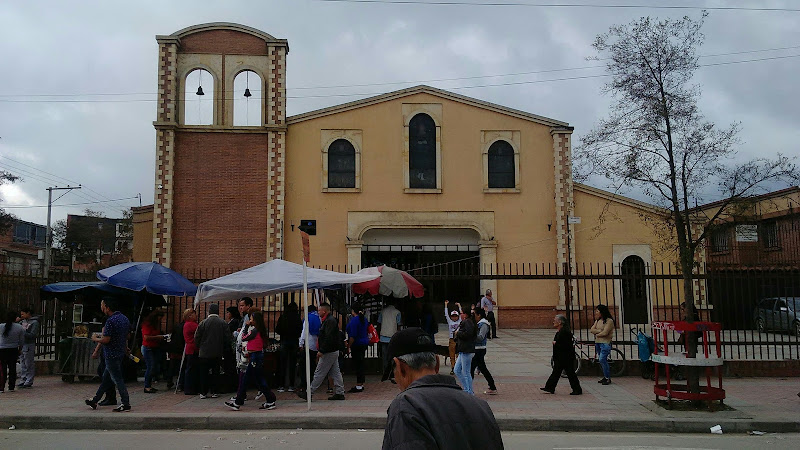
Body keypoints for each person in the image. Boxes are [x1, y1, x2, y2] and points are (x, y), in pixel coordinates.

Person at [381, 327, 504, 450]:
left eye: (393, 375)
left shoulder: (406, 407)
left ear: (400, 367)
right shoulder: (480, 406)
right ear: (437, 363)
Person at [85, 298, 133, 412]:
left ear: (108, 307)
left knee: (117, 379)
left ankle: (125, 402)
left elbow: (106, 339)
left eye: (103, 306)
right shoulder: (124, 318)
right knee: (106, 378)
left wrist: (95, 338)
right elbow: (128, 336)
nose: (102, 308)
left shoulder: (110, 321)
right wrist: (125, 347)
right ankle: (95, 400)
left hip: (111, 354)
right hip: (119, 353)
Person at [225, 308, 277, 411]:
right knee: (259, 379)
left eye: (251, 319)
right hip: (255, 355)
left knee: (246, 379)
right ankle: (270, 399)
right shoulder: (258, 330)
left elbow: (244, 337)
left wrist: (246, 326)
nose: (250, 320)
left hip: (255, 356)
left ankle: (238, 402)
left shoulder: (254, 331)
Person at [296, 303, 345, 401]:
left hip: (328, 351)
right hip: (332, 350)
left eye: (319, 310)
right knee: (335, 372)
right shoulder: (328, 320)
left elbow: (328, 337)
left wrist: (322, 350)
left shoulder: (329, 321)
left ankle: (309, 392)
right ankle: (340, 392)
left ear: (324, 311)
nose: (318, 312)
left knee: (319, 372)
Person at [195, 303, 231, 399]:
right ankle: (214, 391)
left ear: (209, 311)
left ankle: (203, 392)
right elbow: (227, 338)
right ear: (218, 311)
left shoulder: (203, 323)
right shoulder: (223, 323)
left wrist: (200, 346)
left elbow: (197, 337)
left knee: (204, 373)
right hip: (217, 352)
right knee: (216, 372)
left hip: (204, 352)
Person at [541, 314, 582, 396]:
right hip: (562, 357)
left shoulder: (564, 332)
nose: (553, 322)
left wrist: (556, 343)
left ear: (560, 322)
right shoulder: (561, 331)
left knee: (569, 373)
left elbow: (565, 345)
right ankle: (550, 387)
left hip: (565, 357)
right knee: (557, 372)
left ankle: (577, 389)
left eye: (555, 320)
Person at [275, 301, 302, 392]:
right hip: (294, 342)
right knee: (292, 364)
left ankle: (281, 385)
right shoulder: (297, 317)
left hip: (284, 341)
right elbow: (300, 329)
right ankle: (291, 385)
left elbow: (277, 329)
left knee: (282, 364)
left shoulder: (283, 317)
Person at [471, 307, 497, 395]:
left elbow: (481, 337)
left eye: (474, 314)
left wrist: (472, 335)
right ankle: (492, 386)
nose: (473, 316)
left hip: (480, 349)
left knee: (471, 369)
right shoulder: (478, 324)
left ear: (479, 315)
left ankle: (468, 388)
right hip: (477, 349)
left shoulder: (484, 324)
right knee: (482, 368)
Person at [345, 303, 369, 393]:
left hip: (357, 344)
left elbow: (353, 336)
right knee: (361, 363)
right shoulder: (364, 319)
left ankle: (359, 384)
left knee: (358, 364)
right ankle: (361, 383)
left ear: (353, 311)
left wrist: (348, 346)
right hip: (363, 342)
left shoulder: (354, 320)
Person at [141, 308, 165, 393]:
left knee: (154, 366)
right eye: (160, 317)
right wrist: (158, 337)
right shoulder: (147, 324)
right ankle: (147, 386)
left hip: (154, 347)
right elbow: (146, 337)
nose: (160, 319)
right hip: (148, 347)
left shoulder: (155, 325)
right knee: (150, 366)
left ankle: (149, 384)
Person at [453, 307, 477, 395]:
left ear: (465, 314)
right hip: (463, 349)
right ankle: (466, 388)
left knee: (466, 372)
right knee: (457, 370)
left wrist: (458, 333)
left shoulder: (468, 322)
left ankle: (469, 391)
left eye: (461, 313)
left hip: (467, 350)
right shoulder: (466, 322)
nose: (460, 315)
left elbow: (468, 334)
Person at [590, 304, 615, 385]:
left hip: (605, 343)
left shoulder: (609, 321)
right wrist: (599, 331)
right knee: (602, 361)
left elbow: (605, 332)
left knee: (602, 359)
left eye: (597, 311)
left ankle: (607, 378)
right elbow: (592, 329)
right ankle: (605, 376)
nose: (596, 312)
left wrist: (597, 333)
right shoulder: (598, 321)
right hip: (598, 343)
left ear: (602, 312)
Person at [1, 310, 25, 393]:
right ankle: (11, 386)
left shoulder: (1, 326)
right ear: (15, 318)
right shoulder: (19, 327)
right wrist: (20, 349)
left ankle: (1, 386)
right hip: (13, 349)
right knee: (12, 368)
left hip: (2, 349)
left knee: (2, 368)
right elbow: (21, 341)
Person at [298, 304, 321, 389]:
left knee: (304, 365)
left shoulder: (308, 318)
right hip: (317, 344)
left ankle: (304, 383)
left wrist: (301, 343)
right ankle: (313, 381)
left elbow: (304, 331)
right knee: (313, 364)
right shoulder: (319, 317)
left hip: (309, 344)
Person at [17, 307, 40, 388]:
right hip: (22, 344)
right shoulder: (22, 322)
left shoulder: (34, 322)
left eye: (23, 314)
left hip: (29, 344)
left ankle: (29, 380)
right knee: (22, 362)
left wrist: (23, 332)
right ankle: (23, 379)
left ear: (28, 313)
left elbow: (33, 335)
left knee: (29, 363)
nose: (22, 316)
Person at [377, 300, 402, 374]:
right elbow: (399, 326)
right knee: (393, 356)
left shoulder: (382, 311)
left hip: (383, 337)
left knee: (384, 356)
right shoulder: (397, 312)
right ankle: (392, 372)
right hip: (393, 337)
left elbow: (379, 323)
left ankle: (385, 372)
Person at [182, 309, 199, 395]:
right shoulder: (191, 324)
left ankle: (188, 387)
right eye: (194, 314)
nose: (196, 315)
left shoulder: (186, 324)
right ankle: (190, 388)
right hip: (193, 348)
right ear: (190, 316)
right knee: (192, 369)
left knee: (190, 368)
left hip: (189, 348)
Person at [444, 300, 462, 375]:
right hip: (452, 339)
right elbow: (446, 314)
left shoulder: (460, 321)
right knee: (452, 355)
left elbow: (462, 314)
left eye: (456, 316)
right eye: (453, 316)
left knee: (459, 355)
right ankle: (453, 367)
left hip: (458, 339)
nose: (454, 317)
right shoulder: (450, 322)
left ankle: (458, 367)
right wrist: (446, 305)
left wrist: (459, 306)